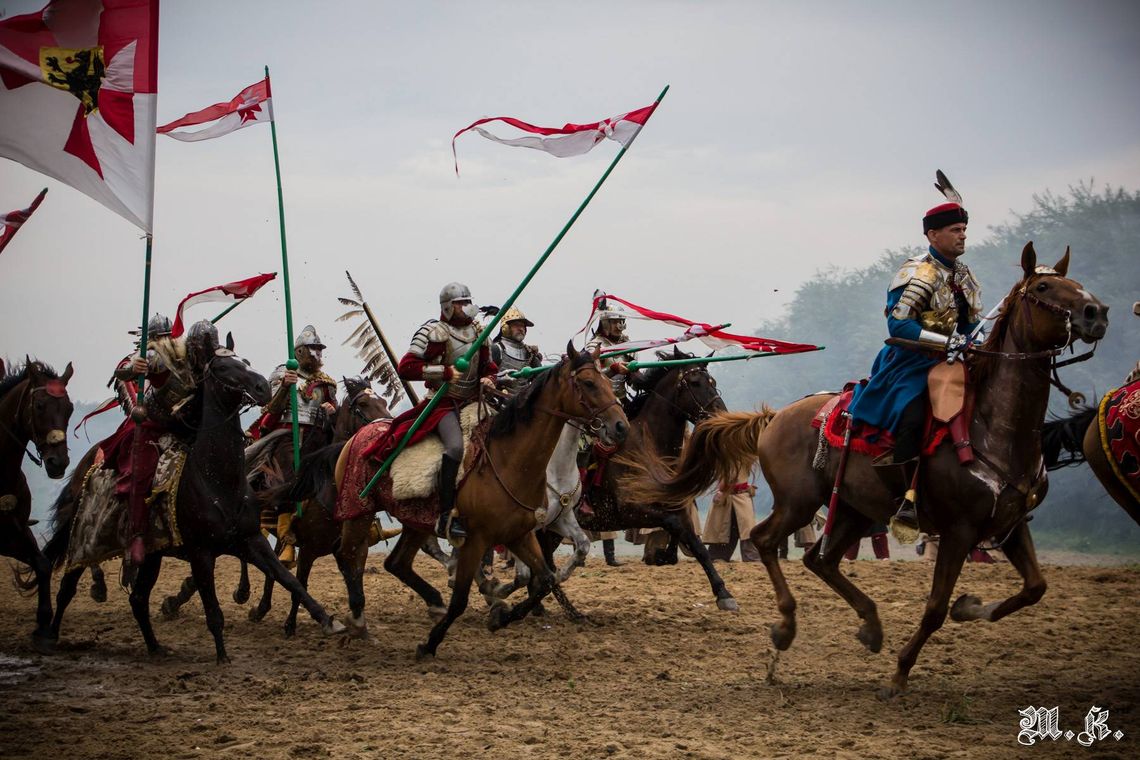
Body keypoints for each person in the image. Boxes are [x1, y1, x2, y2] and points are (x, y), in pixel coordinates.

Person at [848, 172, 981, 533]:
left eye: (963, 229)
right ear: (933, 235)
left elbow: (971, 324)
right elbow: (899, 326)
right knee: (913, 415)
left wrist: (975, 342)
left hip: (956, 361)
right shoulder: (917, 274)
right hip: (911, 364)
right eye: (955, 230)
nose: (962, 235)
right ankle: (906, 498)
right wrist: (946, 343)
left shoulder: (964, 275)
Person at [396, 282, 497, 541]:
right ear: (448, 307)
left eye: (467, 302)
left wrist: (489, 379)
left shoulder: (480, 332)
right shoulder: (434, 332)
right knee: (455, 448)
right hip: (442, 404)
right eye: (460, 303)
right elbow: (406, 368)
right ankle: (446, 514)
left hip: (474, 402)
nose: (466, 307)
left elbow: (488, 366)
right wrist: (444, 372)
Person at [101, 315, 203, 565]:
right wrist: (134, 369)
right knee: (141, 472)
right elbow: (122, 372)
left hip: (184, 423)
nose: (165, 340)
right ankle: (137, 532)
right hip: (151, 426)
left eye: (169, 335)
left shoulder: (184, 356)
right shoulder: (144, 358)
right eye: (160, 337)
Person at [260, 325, 338, 564]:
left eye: (320, 349)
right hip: (287, 434)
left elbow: (334, 408)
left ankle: (367, 526)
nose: (317, 354)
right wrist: (286, 386)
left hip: (318, 435)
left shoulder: (325, 382)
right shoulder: (282, 374)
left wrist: (331, 409)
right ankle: (286, 538)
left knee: (341, 471)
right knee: (291, 478)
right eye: (313, 349)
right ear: (300, 351)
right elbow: (272, 409)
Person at [703, 465, 760, 562]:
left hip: (735, 496)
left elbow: (723, 485)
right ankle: (720, 555)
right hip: (734, 497)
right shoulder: (743, 459)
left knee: (741, 530)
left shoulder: (730, 461)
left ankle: (749, 556)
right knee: (737, 530)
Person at [491, 305, 543, 391]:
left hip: (524, 398)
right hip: (497, 397)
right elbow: (484, 376)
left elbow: (542, 378)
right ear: (505, 328)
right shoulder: (496, 349)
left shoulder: (529, 353)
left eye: (523, 326)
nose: (521, 329)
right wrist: (500, 379)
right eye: (516, 325)